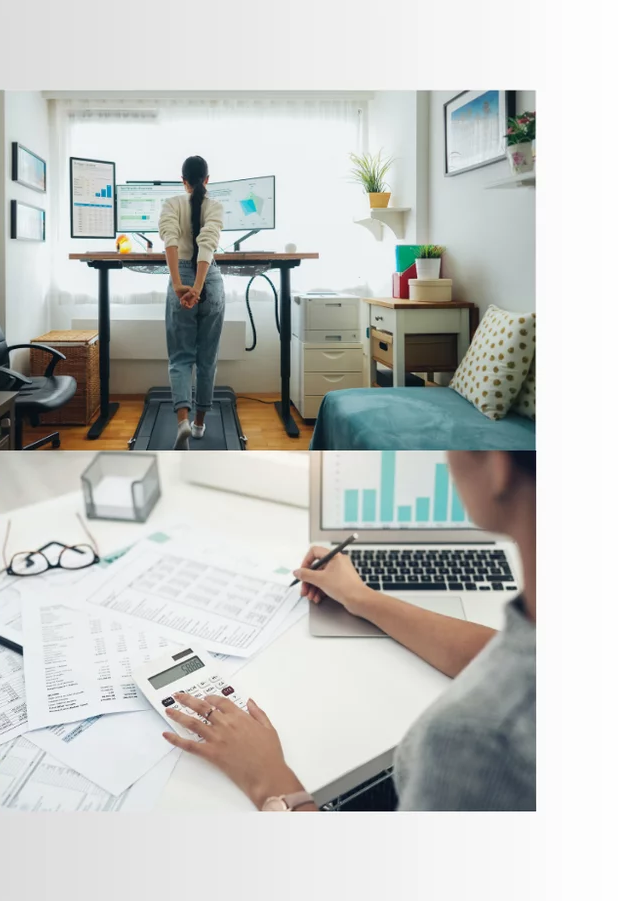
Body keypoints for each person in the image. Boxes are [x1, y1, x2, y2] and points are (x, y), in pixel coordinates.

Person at [161, 451, 536, 811]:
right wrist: (361, 599)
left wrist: (266, 778)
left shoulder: (478, 741)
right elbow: (494, 653)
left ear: (498, 466)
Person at [157, 155, 225, 450]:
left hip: (181, 276)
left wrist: (178, 284)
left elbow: (170, 240)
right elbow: (208, 243)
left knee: (180, 358)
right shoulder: (216, 206)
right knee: (207, 358)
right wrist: (197, 287)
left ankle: (182, 422)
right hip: (209, 280)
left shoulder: (172, 203)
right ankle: (198, 425)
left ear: (183, 181)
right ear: (207, 180)